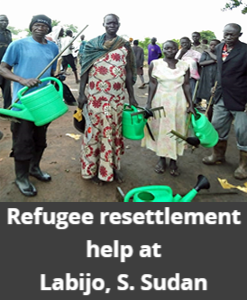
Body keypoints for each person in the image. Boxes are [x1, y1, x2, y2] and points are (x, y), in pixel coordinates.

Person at [0, 14, 59, 196]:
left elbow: (52, 71)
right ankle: (21, 177)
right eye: (37, 24)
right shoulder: (17, 45)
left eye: (44, 25)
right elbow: (2, 68)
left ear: (49, 29)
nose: (40, 28)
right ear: (31, 26)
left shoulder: (53, 47)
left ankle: (34, 169)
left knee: (39, 141)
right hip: (23, 105)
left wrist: (58, 77)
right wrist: (22, 80)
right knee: (23, 142)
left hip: (43, 105)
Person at [77, 13, 138, 185]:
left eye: (115, 23)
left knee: (113, 132)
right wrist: (81, 94)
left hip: (116, 99)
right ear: (103, 24)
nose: (112, 25)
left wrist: (131, 96)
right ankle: (93, 170)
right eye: (109, 22)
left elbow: (129, 72)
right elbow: (84, 72)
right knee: (94, 133)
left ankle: (112, 168)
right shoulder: (92, 45)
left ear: (119, 25)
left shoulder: (124, 45)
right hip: (96, 98)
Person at [142, 40, 196, 176]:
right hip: (160, 102)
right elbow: (153, 84)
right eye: (166, 48)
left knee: (177, 130)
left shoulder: (184, 65)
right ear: (163, 50)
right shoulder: (155, 64)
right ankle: (161, 159)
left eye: (172, 48)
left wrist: (191, 104)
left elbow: (187, 85)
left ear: (176, 49)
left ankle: (173, 160)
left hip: (179, 102)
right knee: (162, 130)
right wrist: (148, 104)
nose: (169, 51)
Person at [202, 23, 247, 180]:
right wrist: (216, 86)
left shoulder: (245, 50)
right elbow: (220, 71)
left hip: (241, 98)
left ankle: (243, 166)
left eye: (232, 35)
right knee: (217, 126)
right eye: (225, 34)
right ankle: (218, 155)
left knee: (243, 132)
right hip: (221, 95)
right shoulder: (220, 47)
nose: (227, 37)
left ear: (239, 35)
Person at [197, 39, 221, 121]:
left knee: (216, 101)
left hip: (217, 78)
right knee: (209, 101)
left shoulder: (221, 53)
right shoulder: (204, 53)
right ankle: (210, 120)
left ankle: (217, 120)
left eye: (215, 45)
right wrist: (214, 60)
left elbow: (219, 60)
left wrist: (211, 55)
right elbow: (201, 63)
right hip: (207, 78)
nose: (212, 46)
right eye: (211, 45)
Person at [0, 14, 12, 109]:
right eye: (1, 21)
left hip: (6, 66)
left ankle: (8, 108)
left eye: (6, 21)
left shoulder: (8, 33)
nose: (4, 23)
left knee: (7, 88)